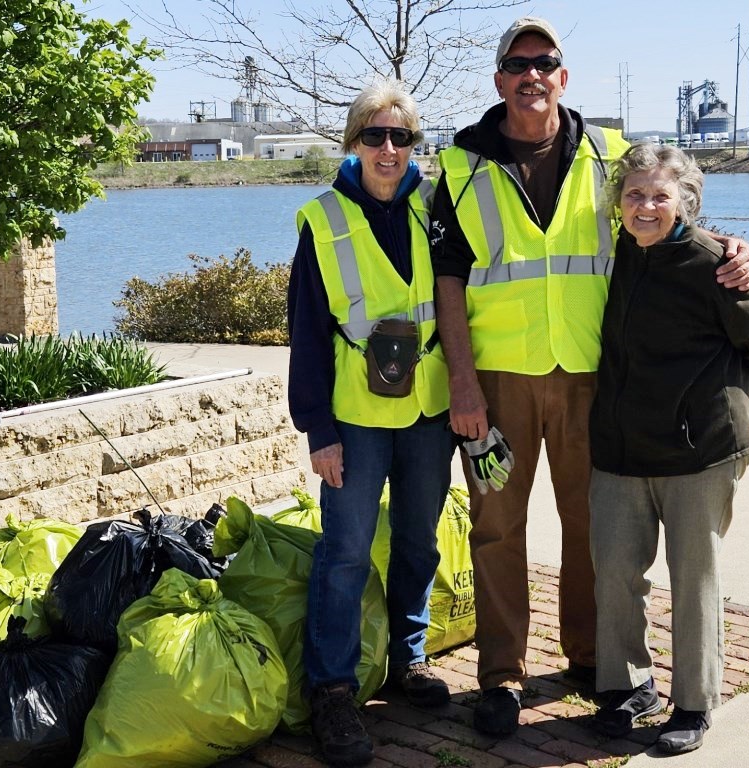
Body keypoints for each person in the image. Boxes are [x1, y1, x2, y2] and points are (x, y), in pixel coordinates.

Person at [429, 16, 749, 737]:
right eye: (517, 63)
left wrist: (730, 245)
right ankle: (501, 675)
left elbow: (664, 213)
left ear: (562, 76)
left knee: (593, 530)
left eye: (544, 61)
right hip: (497, 380)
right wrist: (462, 384)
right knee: (494, 527)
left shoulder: (608, 154)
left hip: (592, 381)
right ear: (499, 80)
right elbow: (446, 282)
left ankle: (587, 661)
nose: (531, 74)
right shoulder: (458, 167)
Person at [587, 143, 749, 754]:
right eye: (634, 194)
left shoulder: (713, 263)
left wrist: (714, 403)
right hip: (619, 448)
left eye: (660, 196)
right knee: (617, 571)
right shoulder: (608, 256)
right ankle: (627, 686)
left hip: (700, 453)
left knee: (692, 576)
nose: (645, 206)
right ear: (617, 203)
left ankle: (694, 703)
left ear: (685, 203)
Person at [288, 78, 456, 767]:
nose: (388, 150)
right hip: (354, 418)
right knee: (346, 553)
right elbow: (304, 331)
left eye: (401, 137)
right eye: (374, 135)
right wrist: (316, 429)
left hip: (427, 409)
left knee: (418, 539)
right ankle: (330, 687)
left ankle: (405, 659)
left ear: (415, 144)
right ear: (353, 141)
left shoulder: (437, 208)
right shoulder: (321, 218)